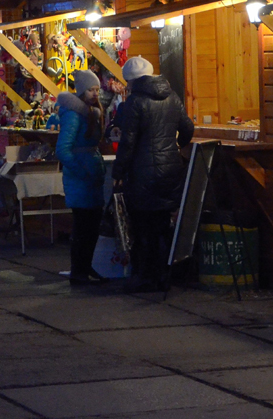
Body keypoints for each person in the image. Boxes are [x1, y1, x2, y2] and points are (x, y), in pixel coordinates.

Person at [112, 56, 195, 293]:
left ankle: (144, 277)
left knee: (142, 226)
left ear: (131, 80)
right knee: (162, 223)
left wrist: (118, 172)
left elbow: (128, 143)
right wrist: (175, 147)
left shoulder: (135, 102)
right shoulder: (172, 96)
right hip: (171, 170)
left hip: (142, 174)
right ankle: (165, 275)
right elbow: (187, 127)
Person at [56, 69, 108, 285]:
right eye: (90, 90)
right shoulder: (74, 115)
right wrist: (81, 170)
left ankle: (85, 267)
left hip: (90, 176)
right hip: (81, 178)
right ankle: (79, 270)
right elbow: (63, 149)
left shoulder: (91, 112)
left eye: (97, 89)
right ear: (81, 91)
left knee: (91, 225)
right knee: (83, 225)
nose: (95, 94)